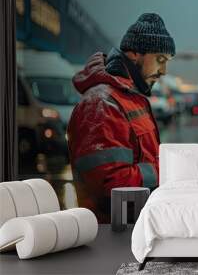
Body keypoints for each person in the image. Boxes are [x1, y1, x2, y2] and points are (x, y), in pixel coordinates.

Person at [67, 13, 175, 221]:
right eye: (160, 60)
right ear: (135, 53)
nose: (164, 71)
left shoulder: (132, 98)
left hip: (135, 222)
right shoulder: (101, 104)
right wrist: (171, 171)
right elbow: (112, 184)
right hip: (111, 232)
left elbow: (145, 159)